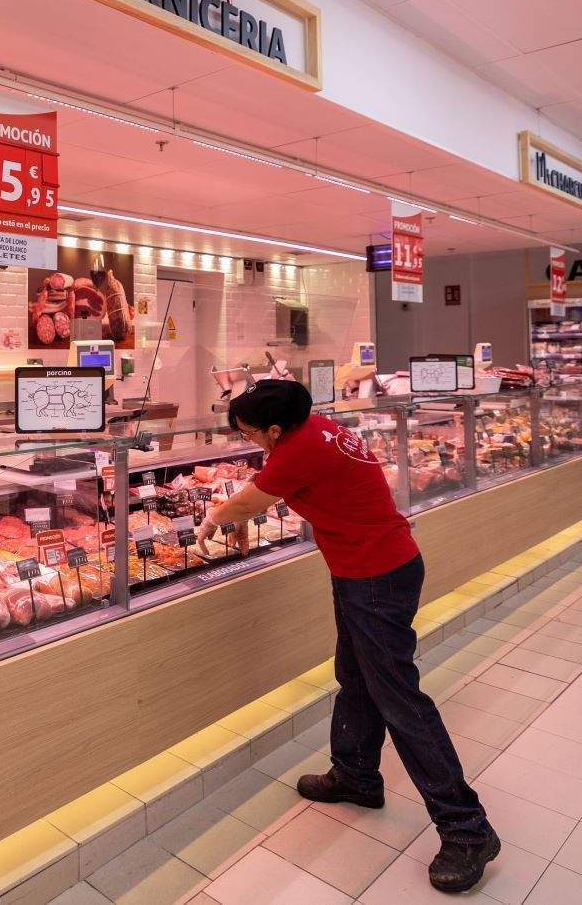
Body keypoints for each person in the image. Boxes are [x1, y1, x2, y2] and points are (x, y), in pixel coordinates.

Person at [197, 379, 499, 893]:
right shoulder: (316, 429)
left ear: (275, 429)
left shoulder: (299, 449)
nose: (251, 442)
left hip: (376, 575)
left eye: (250, 433)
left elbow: (247, 505)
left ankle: (467, 829)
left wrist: (212, 520)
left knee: (400, 700)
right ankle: (356, 774)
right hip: (367, 569)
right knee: (355, 676)